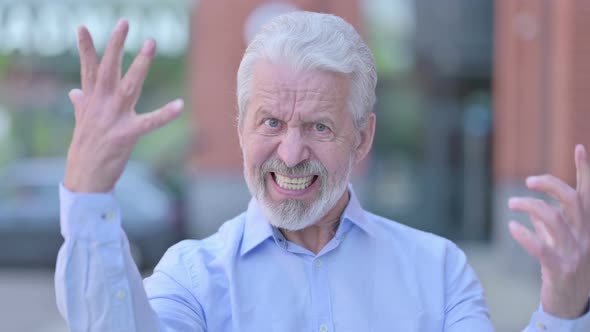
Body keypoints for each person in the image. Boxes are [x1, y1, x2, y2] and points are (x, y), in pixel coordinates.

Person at [55, 11, 590, 331]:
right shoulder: (193, 279)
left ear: (363, 137)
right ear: (240, 125)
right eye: (270, 122)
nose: (289, 154)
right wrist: (87, 196)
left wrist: (564, 309)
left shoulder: (439, 271)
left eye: (319, 127)